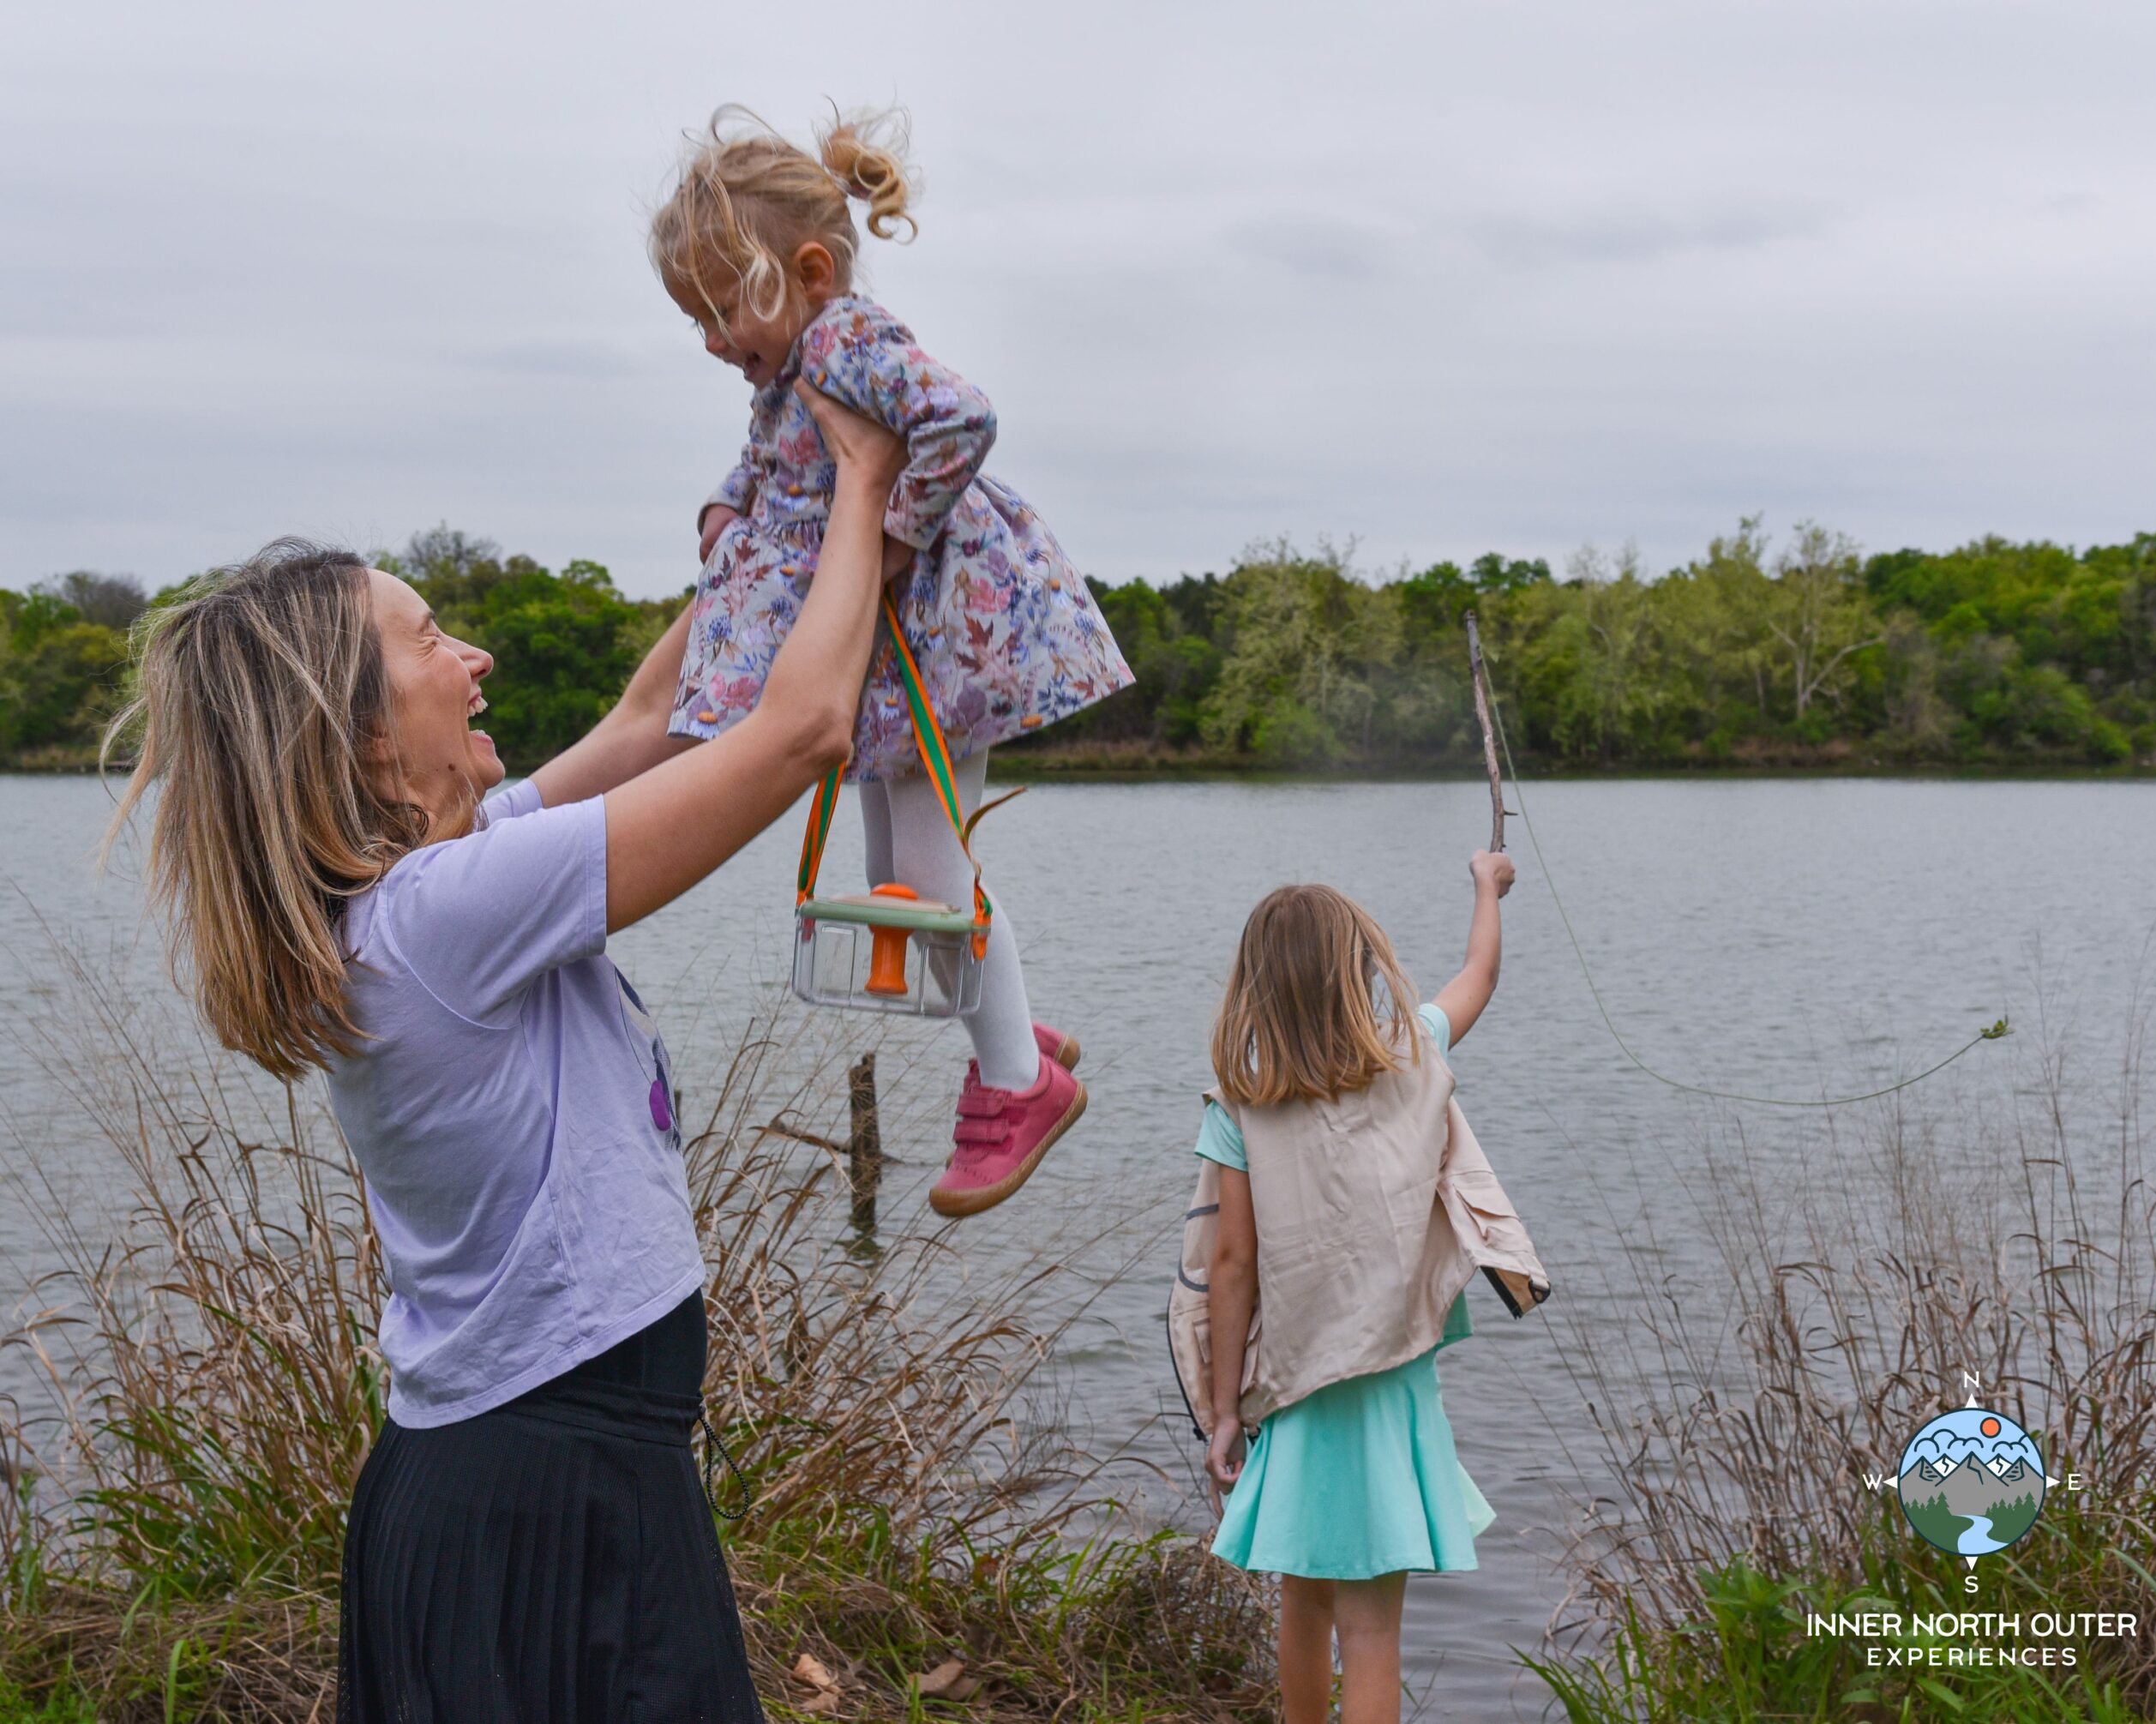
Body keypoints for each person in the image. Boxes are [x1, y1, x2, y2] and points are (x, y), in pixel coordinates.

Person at [103, 386, 909, 1721]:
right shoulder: (447, 914)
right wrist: (868, 487)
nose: (473, 655)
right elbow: (799, 731)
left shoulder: (435, 884)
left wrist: (771, 522)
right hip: (552, 1491)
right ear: (364, 734)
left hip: (512, 1477)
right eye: (432, 638)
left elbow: (662, 719)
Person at [650, 103, 1133, 1217]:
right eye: (701, 323)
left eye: (724, 311)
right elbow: (769, 453)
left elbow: (964, 419)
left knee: (930, 875)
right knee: (907, 877)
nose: (717, 341)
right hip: (888, 659)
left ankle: (1020, 1078)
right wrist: (730, 506)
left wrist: (899, 532)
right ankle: (1011, 1024)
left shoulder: (846, 340)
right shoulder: (796, 366)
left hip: (925, 644)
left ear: (808, 271)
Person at [1188, 864, 1549, 1724]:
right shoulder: (1414, 1054)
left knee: (1301, 1604)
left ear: (1258, 988)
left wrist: (1225, 1405)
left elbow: (1231, 1263)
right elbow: (1479, 975)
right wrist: (1485, 887)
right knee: (1373, 1630)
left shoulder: (1241, 1103)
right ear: (1360, 973)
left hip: (1296, 1387)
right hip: (1389, 1386)